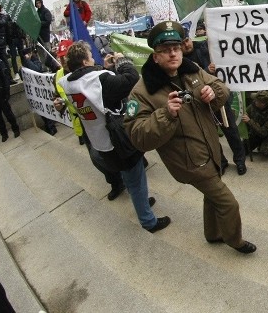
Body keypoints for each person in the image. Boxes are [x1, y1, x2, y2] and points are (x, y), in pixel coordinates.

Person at [125, 21, 255, 253]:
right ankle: (235, 240)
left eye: (175, 48)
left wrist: (212, 92)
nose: (173, 54)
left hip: (210, 151)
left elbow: (222, 89)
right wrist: (166, 114)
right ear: (155, 56)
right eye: (165, 50)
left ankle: (212, 233)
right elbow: (137, 136)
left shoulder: (191, 69)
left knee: (211, 194)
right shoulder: (142, 91)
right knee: (228, 202)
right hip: (188, 161)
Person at [58, 41, 170, 233]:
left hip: (100, 141)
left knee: (129, 177)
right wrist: (122, 61)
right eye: (90, 56)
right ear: (85, 61)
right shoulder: (98, 80)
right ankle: (148, 221)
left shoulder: (68, 82)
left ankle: (140, 201)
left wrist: (105, 68)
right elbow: (131, 78)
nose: (94, 58)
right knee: (135, 178)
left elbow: (96, 87)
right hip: (118, 141)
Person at [52, 39, 126, 200]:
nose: (63, 61)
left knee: (118, 152)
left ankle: (129, 173)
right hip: (83, 124)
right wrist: (59, 105)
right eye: (60, 57)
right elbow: (59, 97)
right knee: (97, 158)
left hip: (104, 122)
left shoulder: (92, 71)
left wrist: (108, 68)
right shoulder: (58, 77)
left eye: (65, 57)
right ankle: (115, 182)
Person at [181, 31, 247, 174]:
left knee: (231, 132)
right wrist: (207, 70)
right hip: (201, 104)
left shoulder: (205, 47)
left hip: (219, 99)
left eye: (187, 40)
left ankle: (240, 160)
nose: (186, 45)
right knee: (211, 136)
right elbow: (189, 81)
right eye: (181, 43)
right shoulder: (180, 63)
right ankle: (221, 161)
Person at [242, 91, 268, 157]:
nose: (254, 101)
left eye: (256, 100)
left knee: (265, 152)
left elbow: (263, 132)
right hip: (255, 133)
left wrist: (249, 121)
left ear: (263, 104)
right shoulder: (254, 105)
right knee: (242, 149)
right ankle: (258, 143)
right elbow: (246, 112)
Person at [0, 51, 19, 142]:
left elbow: (5, 79)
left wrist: (7, 93)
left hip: (1, 95)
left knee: (8, 114)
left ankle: (15, 129)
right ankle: (4, 134)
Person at [35, 0, 57, 71]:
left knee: (47, 52)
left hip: (45, 35)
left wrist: (39, 23)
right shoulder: (36, 13)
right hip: (38, 36)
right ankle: (44, 67)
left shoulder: (46, 11)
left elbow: (48, 21)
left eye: (39, 3)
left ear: (41, 3)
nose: (38, 5)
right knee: (40, 53)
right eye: (37, 3)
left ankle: (51, 66)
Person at [0, 3, 14, 80]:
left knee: (5, 60)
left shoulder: (4, 16)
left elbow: (1, 23)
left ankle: (9, 78)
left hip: (1, 42)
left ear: (0, 9)